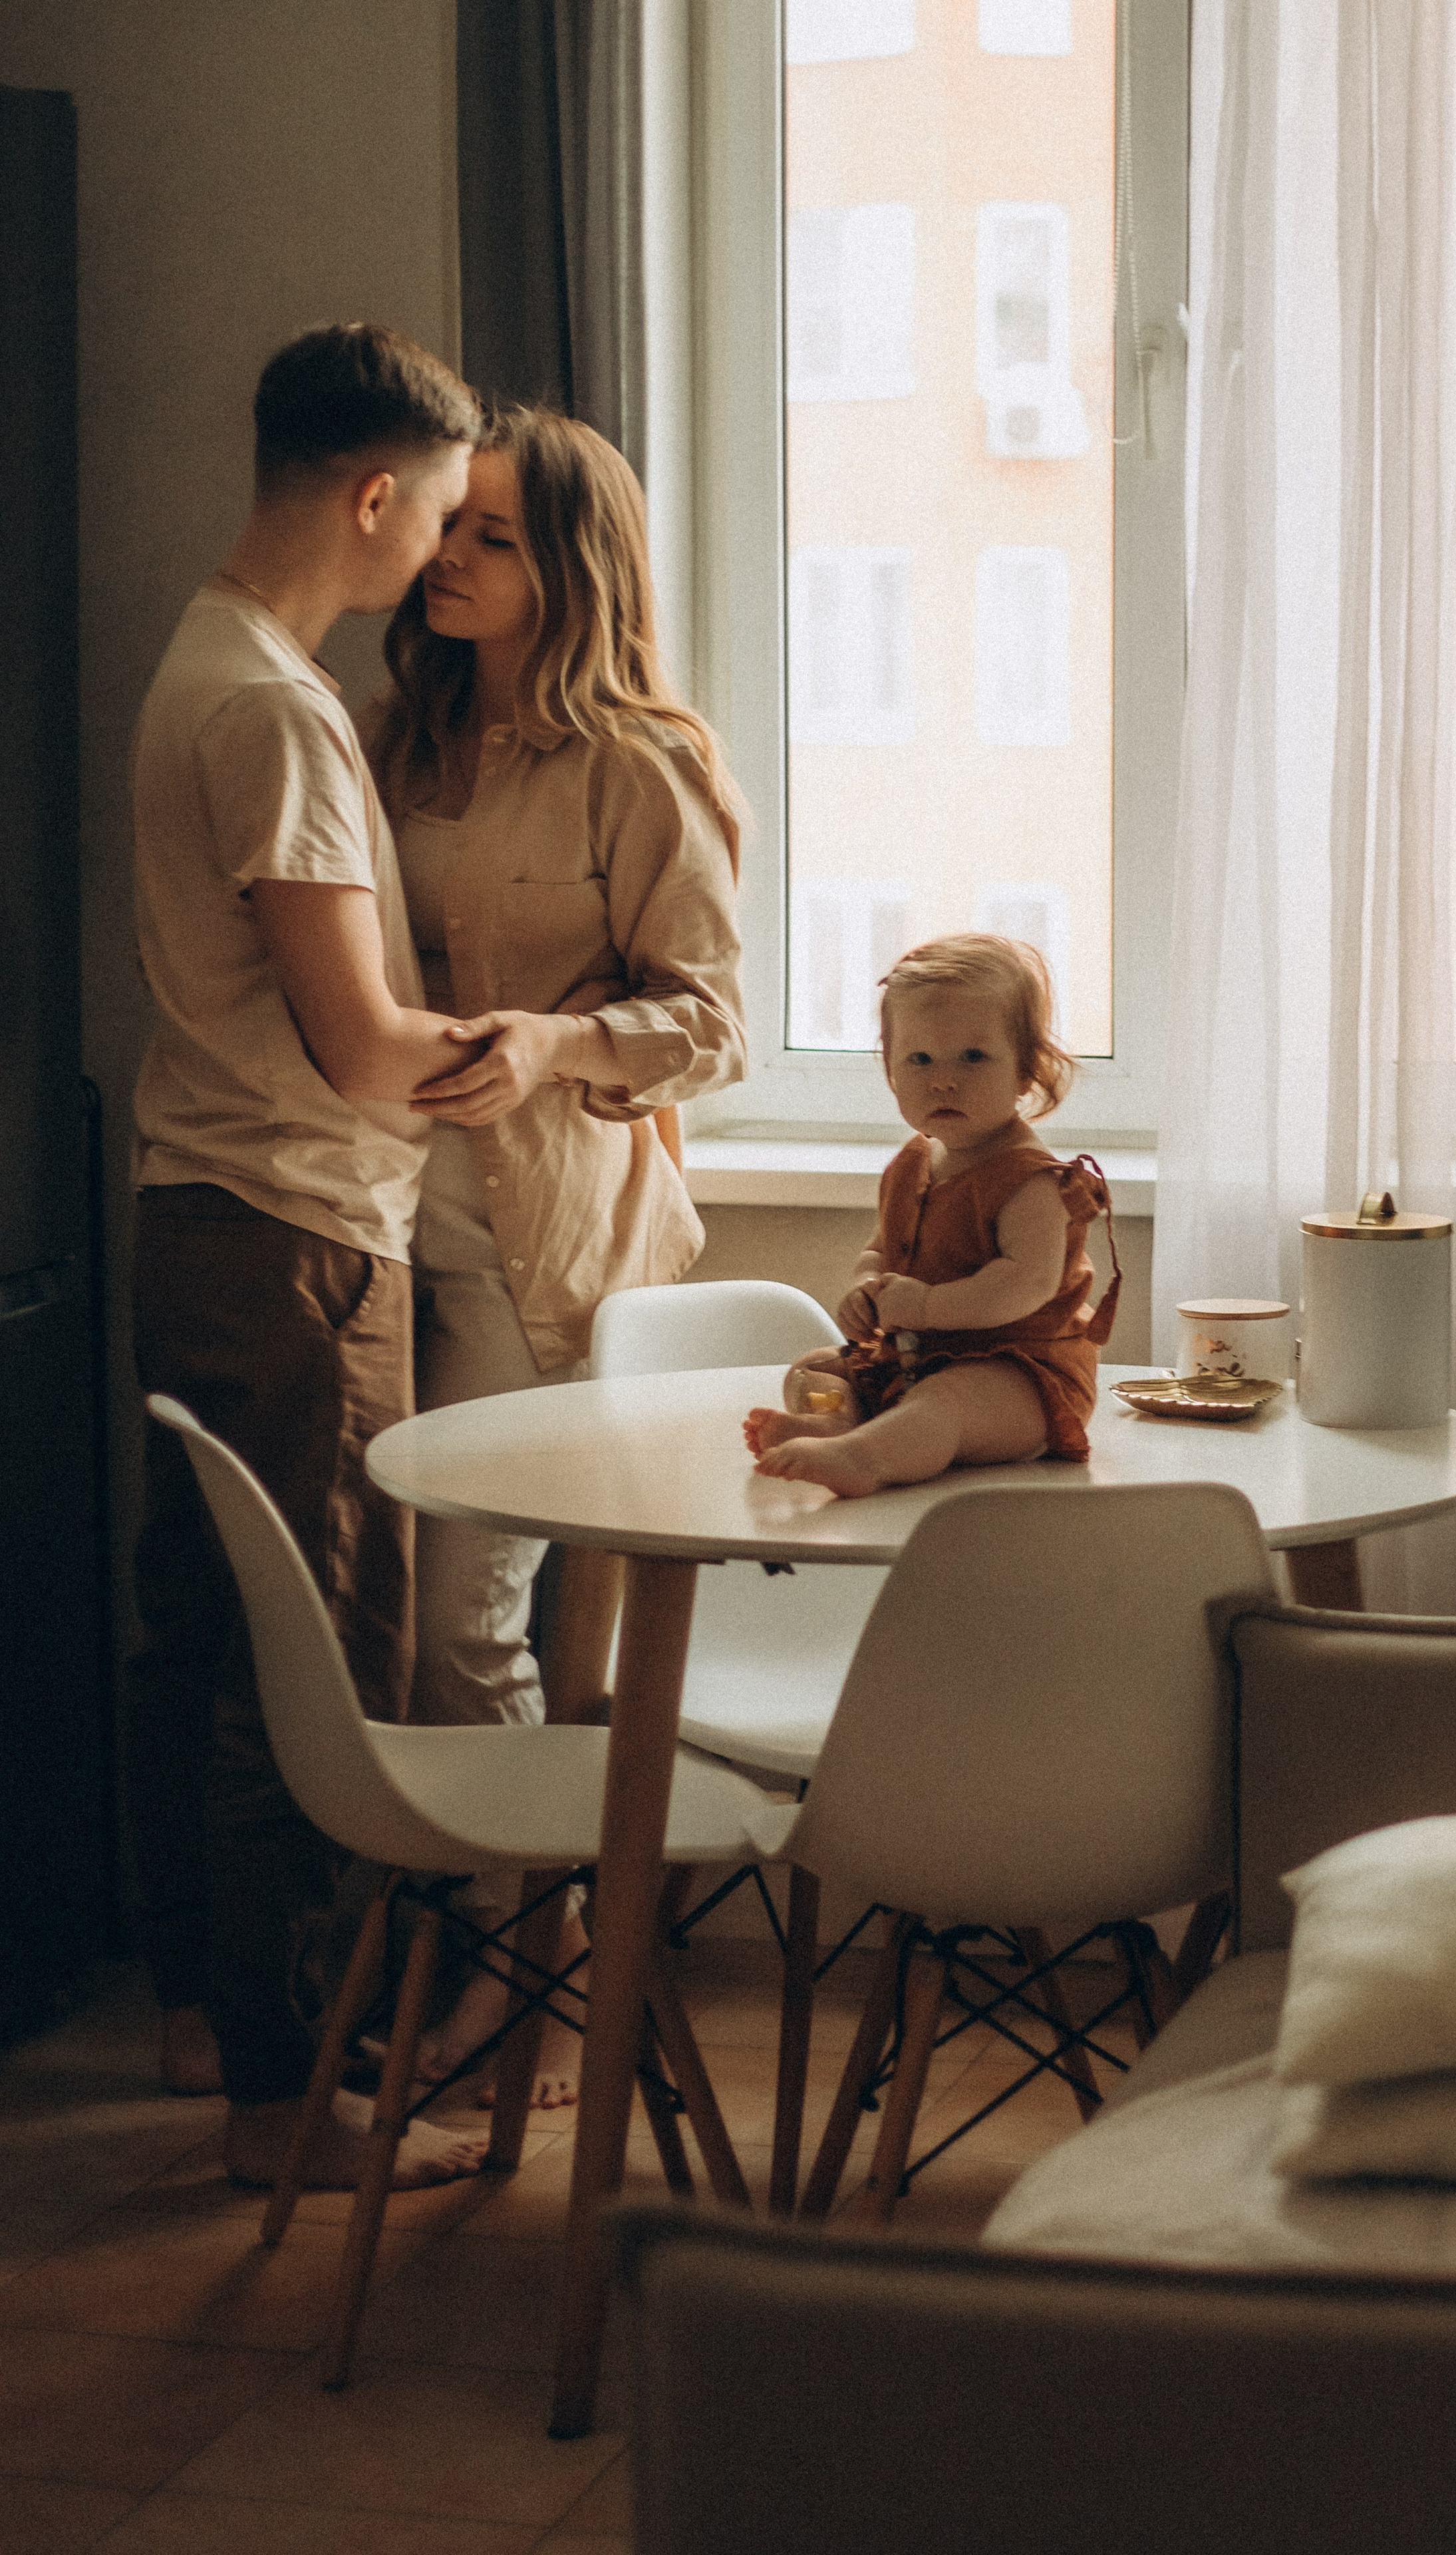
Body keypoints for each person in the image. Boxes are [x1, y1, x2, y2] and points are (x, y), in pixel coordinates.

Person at [128, 322, 489, 2188]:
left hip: (200, 1214)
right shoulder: (272, 707)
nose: (440, 554)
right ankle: (294, 2100)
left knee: (203, 1636)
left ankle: (212, 2028)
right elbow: (364, 1047)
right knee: (309, 1666)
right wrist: (541, 1052)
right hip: (296, 1241)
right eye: (436, 515)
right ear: (372, 496)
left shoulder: (203, 659)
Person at [364, 405, 746, 2097]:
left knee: (471, 1616)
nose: (449, 557)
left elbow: (713, 1022)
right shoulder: (404, 736)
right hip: (384, 1216)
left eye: (491, 536)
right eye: (449, 526)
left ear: (569, 564)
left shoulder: (639, 760)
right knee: (395, 1616)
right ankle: (491, 1937)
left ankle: (520, 1968)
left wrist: (551, 1045)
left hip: (553, 1243)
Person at [744, 934, 1119, 1499]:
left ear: (1026, 1071)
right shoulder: (913, 1163)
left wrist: (925, 1306)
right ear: (891, 1072)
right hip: (916, 1359)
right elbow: (882, 1249)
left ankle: (864, 1457)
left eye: (973, 1057)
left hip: (1022, 1376)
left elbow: (1026, 1284)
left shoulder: (1031, 1181)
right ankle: (837, 1423)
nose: (944, 1078)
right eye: (919, 1059)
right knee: (814, 1368)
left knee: (944, 1403)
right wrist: (867, 1287)